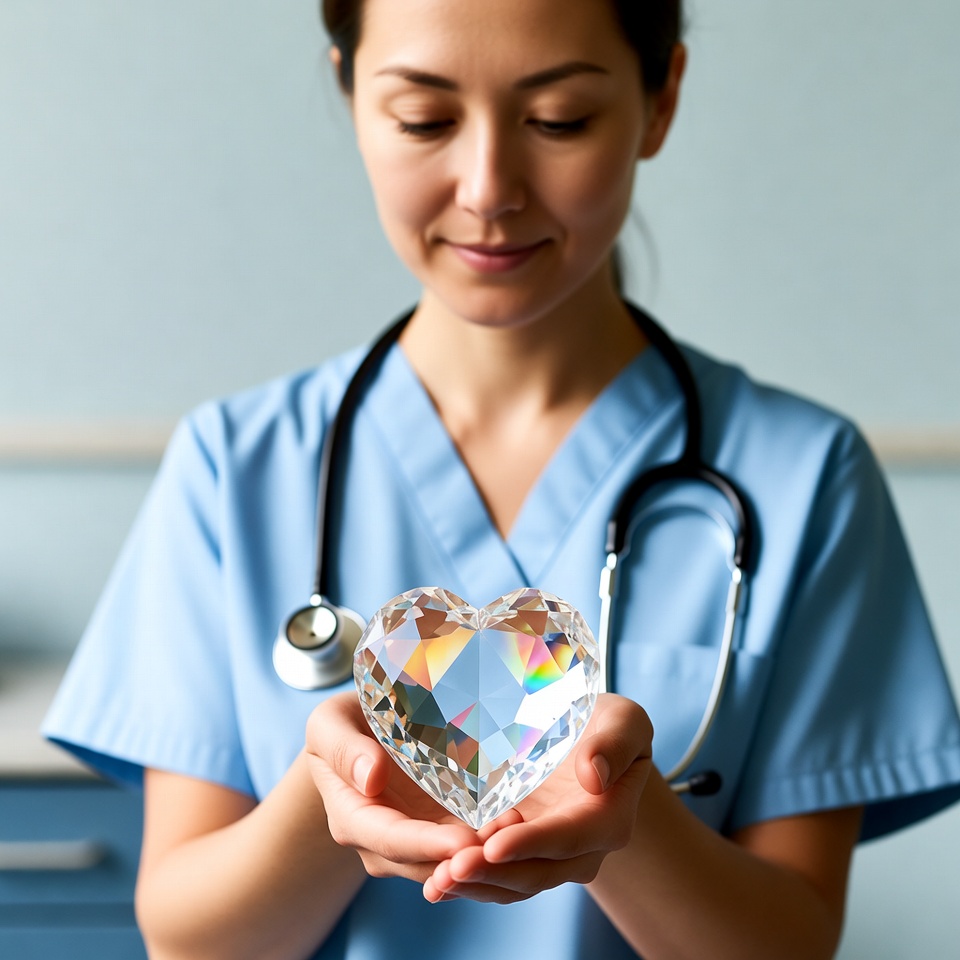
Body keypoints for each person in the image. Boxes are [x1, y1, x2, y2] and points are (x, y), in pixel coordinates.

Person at [43, 1, 960, 958]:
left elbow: (790, 944)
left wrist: (622, 807)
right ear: (351, 95)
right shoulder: (234, 469)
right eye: (425, 120)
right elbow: (189, 941)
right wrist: (343, 790)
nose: (488, 189)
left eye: (559, 119)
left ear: (660, 101)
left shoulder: (807, 478)